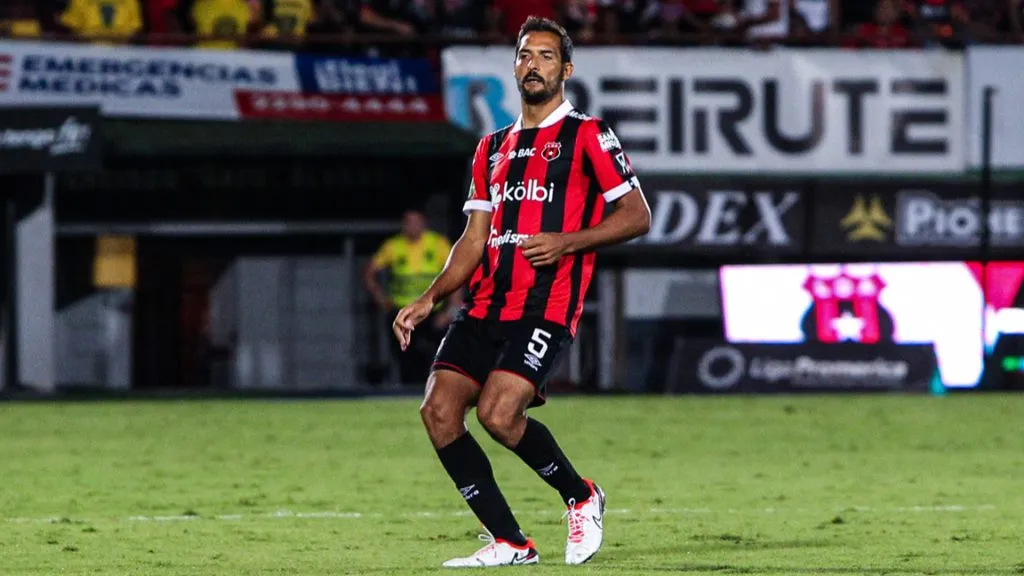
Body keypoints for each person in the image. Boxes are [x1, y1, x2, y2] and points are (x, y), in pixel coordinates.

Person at [392, 16, 651, 568]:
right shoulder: (491, 147)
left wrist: (566, 241)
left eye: (546, 56)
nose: (534, 65)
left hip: (545, 306)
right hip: (485, 305)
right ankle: (510, 541)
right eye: (525, 55)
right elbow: (474, 238)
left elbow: (636, 215)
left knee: (498, 414)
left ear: (566, 69)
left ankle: (581, 496)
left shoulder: (588, 134)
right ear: (514, 66)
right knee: (438, 412)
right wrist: (430, 296)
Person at [364, 210, 458, 384]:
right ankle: (407, 390)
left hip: (432, 313)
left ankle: (435, 388)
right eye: (408, 222)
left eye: (416, 221)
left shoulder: (438, 244)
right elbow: (369, 272)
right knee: (405, 358)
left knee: (438, 356)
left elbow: (455, 275)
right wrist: (381, 299)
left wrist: (450, 311)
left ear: (424, 223)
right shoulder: (393, 246)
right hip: (403, 313)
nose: (412, 226)